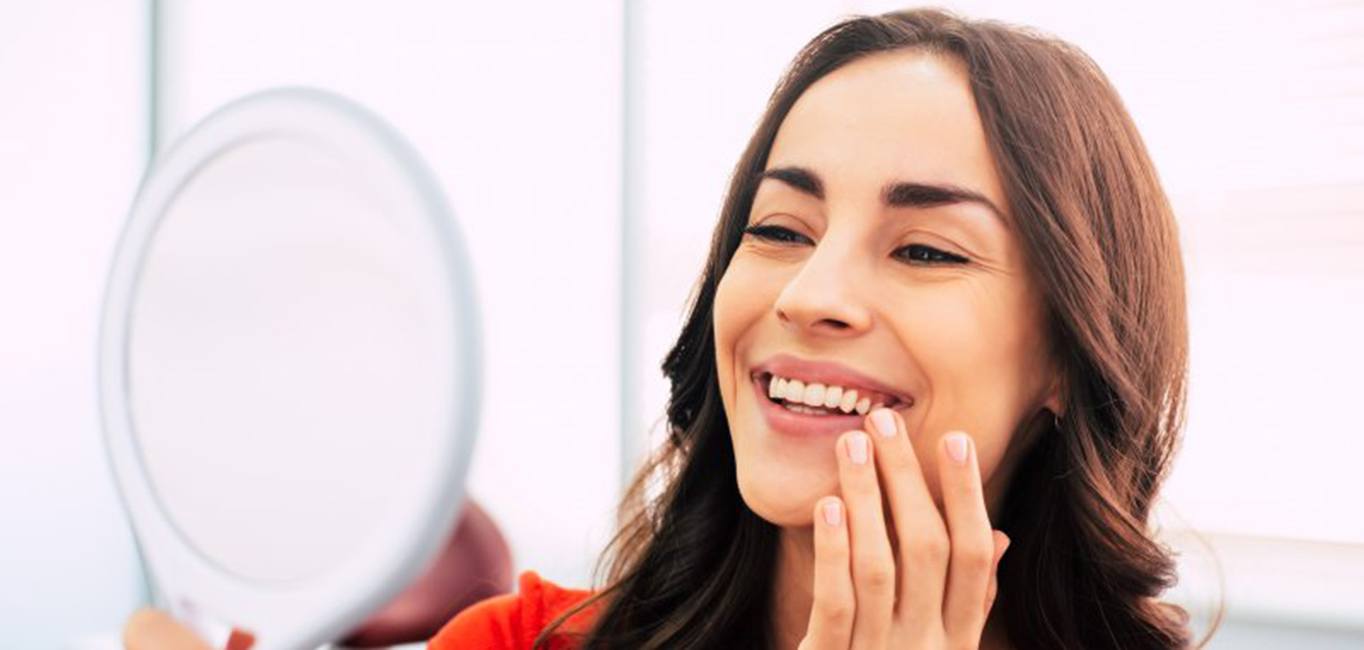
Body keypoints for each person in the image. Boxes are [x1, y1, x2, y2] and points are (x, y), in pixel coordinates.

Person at [129, 8, 1203, 650]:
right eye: (778, 227)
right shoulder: (520, 642)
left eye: (923, 248)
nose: (809, 291)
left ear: (1068, 353)